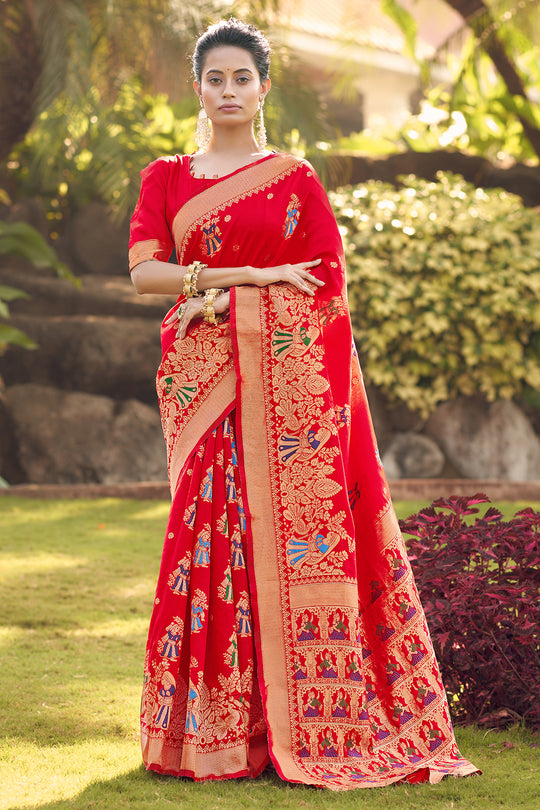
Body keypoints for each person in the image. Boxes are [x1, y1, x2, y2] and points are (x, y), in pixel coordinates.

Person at [128, 18, 479, 791]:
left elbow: (325, 287)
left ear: (262, 88)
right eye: (214, 78)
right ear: (197, 88)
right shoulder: (168, 177)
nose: (227, 90)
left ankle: (295, 725)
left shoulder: (294, 179)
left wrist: (226, 303)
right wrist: (245, 282)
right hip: (207, 388)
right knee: (208, 539)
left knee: (273, 544)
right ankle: (211, 731)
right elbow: (147, 274)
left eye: (241, 78)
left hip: (281, 397)